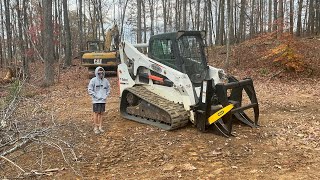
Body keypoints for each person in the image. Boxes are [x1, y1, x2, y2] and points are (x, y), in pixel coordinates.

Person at [88, 67, 110, 134]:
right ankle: (96, 127)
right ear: (96, 72)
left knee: (101, 113)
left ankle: (100, 127)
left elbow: (108, 89)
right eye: (99, 72)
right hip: (96, 100)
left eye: (102, 72)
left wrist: (105, 96)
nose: (101, 74)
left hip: (103, 100)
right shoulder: (93, 80)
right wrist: (95, 96)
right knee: (96, 113)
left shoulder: (105, 81)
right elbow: (90, 90)